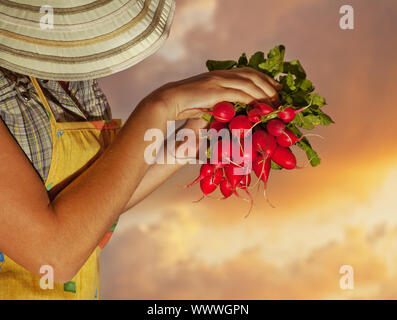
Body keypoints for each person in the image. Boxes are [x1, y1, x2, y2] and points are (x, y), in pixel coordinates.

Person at [0, 0, 280, 299]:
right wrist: (160, 107)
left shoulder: (72, 78)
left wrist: (187, 142)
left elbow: (99, 205)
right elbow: (54, 254)